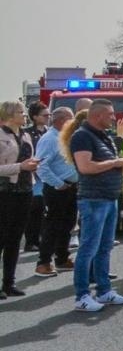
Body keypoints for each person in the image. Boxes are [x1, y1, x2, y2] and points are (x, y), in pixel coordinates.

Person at [70, 98, 123, 311]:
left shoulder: (104, 136)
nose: (114, 118)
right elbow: (86, 167)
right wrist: (116, 162)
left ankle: (104, 291)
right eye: (110, 114)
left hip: (109, 198)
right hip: (93, 199)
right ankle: (82, 295)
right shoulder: (82, 136)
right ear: (97, 116)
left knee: (105, 247)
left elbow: (105, 163)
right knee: (88, 248)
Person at [0, 100, 41, 299]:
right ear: (8, 114)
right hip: (5, 192)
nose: (24, 115)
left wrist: (34, 165)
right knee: (2, 237)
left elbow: (28, 160)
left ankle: (9, 283)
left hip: (25, 190)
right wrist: (19, 167)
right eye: (20, 111)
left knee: (15, 239)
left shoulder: (25, 135)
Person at [32, 107, 77, 278]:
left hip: (70, 187)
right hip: (57, 188)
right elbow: (41, 166)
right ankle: (43, 263)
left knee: (67, 224)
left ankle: (62, 258)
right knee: (53, 226)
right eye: (70, 118)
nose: (73, 122)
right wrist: (58, 183)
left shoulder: (64, 137)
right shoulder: (49, 139)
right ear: (60, 120)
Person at [21, 102, 48, 255]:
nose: (47, 118)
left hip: (48, 175)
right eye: (44, 115)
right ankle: (31, 241)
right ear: (35, 117)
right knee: (35, 208)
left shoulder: (49, 132)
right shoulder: (27, 134)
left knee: (47, 208)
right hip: (34, 176)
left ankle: (45, 238)